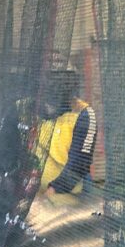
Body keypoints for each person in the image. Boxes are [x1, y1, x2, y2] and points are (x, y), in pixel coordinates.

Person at [34, 68, 97, 199]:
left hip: (69, 192)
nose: (48, 108)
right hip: (35, 188)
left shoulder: (84, 114)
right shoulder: (30, 108)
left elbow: (79, 164)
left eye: (52, 105)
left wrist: (50, 194)